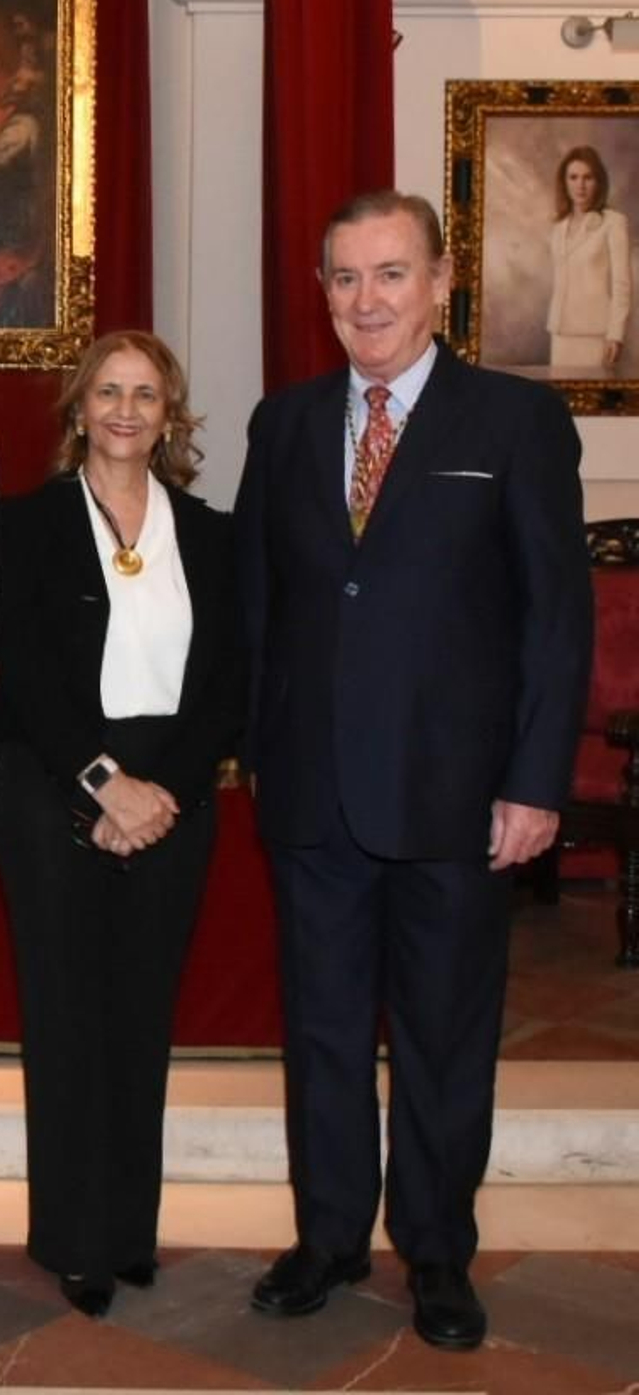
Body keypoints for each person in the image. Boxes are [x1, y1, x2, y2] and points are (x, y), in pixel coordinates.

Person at [235, 190, 592, 1352]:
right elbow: (257, 610)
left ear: (441, 283)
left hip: (458, 800)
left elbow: (553, 620)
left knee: (443, 1037)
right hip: (313, 798)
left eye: (390, 274)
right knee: (324, 1033)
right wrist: (255, 750)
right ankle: (328, 1237)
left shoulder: (513, 423)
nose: (365, 300)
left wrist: (537, 783)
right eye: (343, 278)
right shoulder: (282, 426)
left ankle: (436, 1250)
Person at [0, 331, 243, 1320]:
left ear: (170, 414)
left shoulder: (211, 534)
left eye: (146, 394)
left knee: (142, 1017)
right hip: (54, 790)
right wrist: (103, 786)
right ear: (77, 410)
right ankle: (72, 1238)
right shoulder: (29, 523)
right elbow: (29, 674)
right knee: (66, 1018)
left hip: (172, 797)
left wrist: (156, 792)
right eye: (108, 392)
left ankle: (128, 1232)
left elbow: (227, 684)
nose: (126, 410)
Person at [546, 144, 630, 369]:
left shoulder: (613, 222)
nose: (580, 185)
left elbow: (622, 284)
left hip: (595, 333)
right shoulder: (558, 227)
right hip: (561, 333)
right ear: (564, 182)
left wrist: (616, 334)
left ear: (598, 181)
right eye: (573, 177)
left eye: (587, 177)